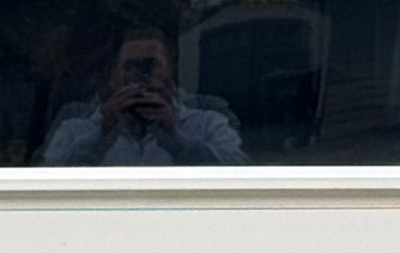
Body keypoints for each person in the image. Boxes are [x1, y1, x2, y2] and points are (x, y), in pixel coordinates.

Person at [40, 26, 247, 167]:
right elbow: (44, 181)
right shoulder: (76, 128)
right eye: (130, 67)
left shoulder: (207, 123)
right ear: (113, 73)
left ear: (170, 70)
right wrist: (102, 132)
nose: (140, 76)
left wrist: (175, 138)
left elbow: (240, 173)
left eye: (150, 65)